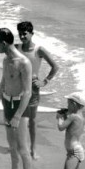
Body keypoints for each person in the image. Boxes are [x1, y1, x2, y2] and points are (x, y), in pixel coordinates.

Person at [0, 28, 33, 169]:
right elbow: (2, 84)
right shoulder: (6, 60)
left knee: (23, 148)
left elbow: (28, 92)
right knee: (11, 144)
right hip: (7, 103)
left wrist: (17, 116)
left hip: (20, 107)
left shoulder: (24, 63)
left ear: (4, 43)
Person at [16, 21, 59, 160]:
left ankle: (33, 148)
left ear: (32, 34)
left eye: (25, 33)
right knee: (18, 117)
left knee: (32, 120)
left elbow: (55, 66)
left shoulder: (39, 50)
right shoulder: (16, 48)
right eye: (20, 33)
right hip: (18, 87)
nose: (22, 36)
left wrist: (44, 81)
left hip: (33, 88)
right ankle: (21, 145)